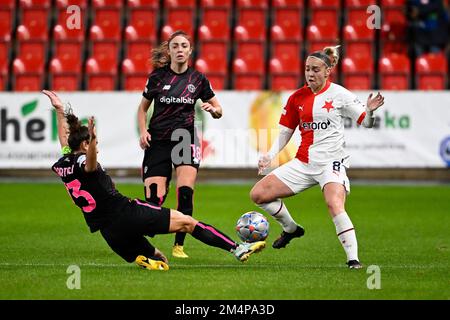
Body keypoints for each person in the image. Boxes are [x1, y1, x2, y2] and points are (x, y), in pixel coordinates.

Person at [43, 90, 265, 271]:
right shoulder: (85, 158)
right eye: (95, 144)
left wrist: (60, 110)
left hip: (109, 232)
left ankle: (147, 259)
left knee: (160, 259)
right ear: (85, 145)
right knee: (187, 222)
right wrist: (91, 141)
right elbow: (89, 164)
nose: (97, 148)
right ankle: (238, 248)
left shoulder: (65, 162)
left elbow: (66, 139)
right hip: (127, 213)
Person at [249, 46, 385, 269]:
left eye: (315, 70)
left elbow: (367, 122)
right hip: (303, 163)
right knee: (258, 194)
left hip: (332, 163)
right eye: (307, 69)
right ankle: (291, 229)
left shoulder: (339, 94)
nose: (310, 74)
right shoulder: (297, 98)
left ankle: (353, 259)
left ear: (328, 71)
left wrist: (369, 111)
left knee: (334, 203)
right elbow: (285, 131)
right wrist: (270, 156)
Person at [136, 30, 223, 259]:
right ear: (170, 50)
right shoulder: (157, 78)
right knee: (153, 199)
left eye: (184, 46)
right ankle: (144, 240)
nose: (180, 50)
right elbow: (142, 109)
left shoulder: (198, 79)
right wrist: (143, 130)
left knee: (185, 192)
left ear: (190, 50)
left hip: (185, 138)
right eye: (175, 46)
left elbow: (219, 109)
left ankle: (178, 245)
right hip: (158, 140)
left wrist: (214, 111)